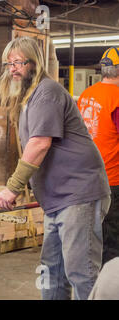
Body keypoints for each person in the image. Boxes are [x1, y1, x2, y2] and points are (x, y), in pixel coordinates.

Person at [0, 37, 110, 300]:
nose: (13, 69)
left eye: (19, 62)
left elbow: (38, 145)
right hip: (57, 201)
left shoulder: (47, 92)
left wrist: (12, 187)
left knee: (82, 272)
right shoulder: (27, 99)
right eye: (8, 63)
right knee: (51, 273)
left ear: (34, 63)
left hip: (78, 194)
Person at [77, 47, 119, 266]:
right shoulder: (117, 98)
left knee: (92, 235)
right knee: (112, 240)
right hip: (112, 181)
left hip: (86, 179)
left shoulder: (86, 94)